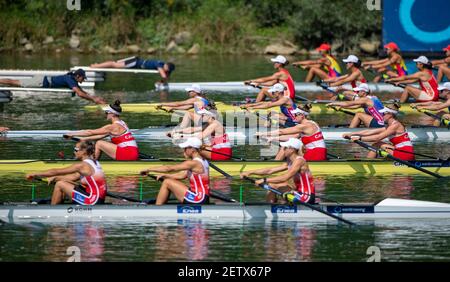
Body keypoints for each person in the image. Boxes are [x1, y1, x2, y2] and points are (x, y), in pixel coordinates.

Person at [25, 141, 107, 205]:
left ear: (84, 152)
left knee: (60, 184)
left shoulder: (82, 165)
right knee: (62, 182)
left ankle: (52, 210)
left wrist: (34, 174)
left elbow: (56, 171)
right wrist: (55, 178)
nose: (74, 152)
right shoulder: (94, 163)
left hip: (92, 201)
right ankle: (59, 203)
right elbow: (74, 177)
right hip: (98, 199)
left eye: (76, 149)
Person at [240, 138, 315, 204]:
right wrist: (249, 172)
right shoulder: (289, 161)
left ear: (292, 149)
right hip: (298, 193)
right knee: (272, 185)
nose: (282, 149)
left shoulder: (299, 161)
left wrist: (264, 180)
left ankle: (270, 207)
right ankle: (271, 205)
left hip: (306, 196)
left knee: (273, 184)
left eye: (285, 148)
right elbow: (269, 170)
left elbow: (285, 177)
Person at [140, 137, 210, 205]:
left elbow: (169, 168)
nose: (184, 150)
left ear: (192, 150)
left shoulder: (193, 163)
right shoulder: (204, 161)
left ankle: (157, 209)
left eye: (185, 148)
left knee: (167, 182)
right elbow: (182, 175)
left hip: (197, 199)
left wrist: (148, 169)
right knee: (168, 180)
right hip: (203, 197)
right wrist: (166, 176)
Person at [64, 100, 139, 161]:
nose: (105, 114)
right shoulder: (123, 123)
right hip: (133, 153)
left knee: (99, 143)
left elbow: (90, 132)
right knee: (100, 141)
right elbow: (100, 136)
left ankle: (93, 163)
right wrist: (83, 139)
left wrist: (72, 134)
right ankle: (93, 160)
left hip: (128, 154)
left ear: (112, 114)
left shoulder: (113, 127)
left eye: (106, 113)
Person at [343, 103, 415, 161]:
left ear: (390, 114)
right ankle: (373, 161)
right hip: (401, 151)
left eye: (383, 114)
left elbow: (378, 137)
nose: (381, 115)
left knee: (377, 144)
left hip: (405, 154)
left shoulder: (395, 126)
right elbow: (369, 132)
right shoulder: (390, 126)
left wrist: (359, 138)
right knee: (378, 145)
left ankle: (368, 162)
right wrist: (351, 134)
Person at [256, 106, 327, 161]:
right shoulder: (312, 123)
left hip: (316, 154)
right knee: (291, 145)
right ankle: (279, 163)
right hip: (316, 152)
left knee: (286, 147)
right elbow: (293, 136)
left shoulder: (304, 126)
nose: (293, 116)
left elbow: (282, 131)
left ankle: (275, 164)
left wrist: (262, 133)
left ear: (302, 115)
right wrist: (273, 138)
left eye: (295, 115)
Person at [0, 69, 104, 104]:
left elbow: (81, 92)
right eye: (83, 78)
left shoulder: (72, 79)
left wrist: (94, 98)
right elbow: (80, 94)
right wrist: (94, 100)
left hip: (42, 80)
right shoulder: (70, 79)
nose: (83, 80)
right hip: (40, 82)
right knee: (14, 82)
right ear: (78, 76)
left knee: (14, 81)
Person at [168, 109, 232, 161]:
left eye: (203, 115)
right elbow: (192, 129)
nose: (201, 117)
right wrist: (176, 131)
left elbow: (200, 136)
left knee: (192, 147)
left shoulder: (215, 124)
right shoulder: (209, 124)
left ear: (210, 116)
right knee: (195, 146)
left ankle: (190, 165)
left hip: (222, 153)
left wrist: (181, 136)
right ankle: (195, 162)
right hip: (218, 151)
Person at [90, 56, 175, 84]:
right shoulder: (160, 65)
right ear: (166, 66)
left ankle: (97, 65)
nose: (166, 71)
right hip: (134, 62)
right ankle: (96, 66)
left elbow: (165, 75)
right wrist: (162, 81)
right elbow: (163, 75)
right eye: (167, 70)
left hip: (135, 62)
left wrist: (162, 81)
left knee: (114, 64)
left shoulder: (164, 66)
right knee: (114, 64)